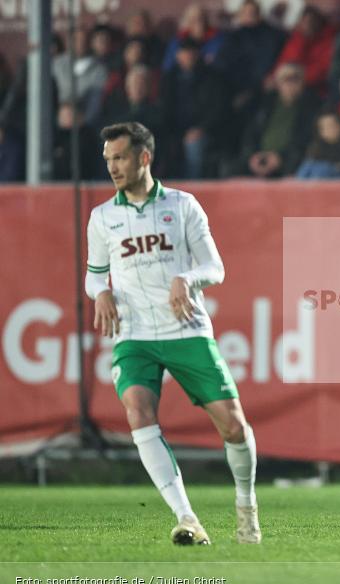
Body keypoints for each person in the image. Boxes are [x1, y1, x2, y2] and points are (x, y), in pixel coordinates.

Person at [85, 122, 260, 545]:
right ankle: (187, 518)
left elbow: (214, 267)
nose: (112, 167)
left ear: (144, 157)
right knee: (137, 411)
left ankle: (246, 506)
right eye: (108, 159)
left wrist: (187, 278)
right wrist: (100, 293)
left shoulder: (183, 206)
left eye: (120, 157)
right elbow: (94, 274)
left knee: (234, 427)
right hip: (134, 334)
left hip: (185, 329)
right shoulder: (102, 217)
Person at [237, 63, 321, 178]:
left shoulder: (313, 106)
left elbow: (305, 142)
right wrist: (252, 156)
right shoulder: (265, 102)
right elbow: (251, 132)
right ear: (278, 83)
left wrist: (280, 159)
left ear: (303, 82)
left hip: (290, 163)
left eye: (295, 78)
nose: (290, 84)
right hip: (258, 158)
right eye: (285, 79)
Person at [160, 38, 228, 179]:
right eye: (184, 53)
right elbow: (166, 110)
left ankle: (192, 187)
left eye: (191, 53)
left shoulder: (212, 78)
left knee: (194, 145)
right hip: (175, 130)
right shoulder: (170, 78)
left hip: (204, 130)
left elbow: (218, 110)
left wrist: (201, 129)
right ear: (177, 56)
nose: (188, 56)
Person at [270, 6, 336, 98]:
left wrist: (296, 80)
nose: (307, 25)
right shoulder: (296, 38)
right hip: (289, 83)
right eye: (304, 21)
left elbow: (322, 69)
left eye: (311, 21)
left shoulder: (328, 40)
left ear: (319, 23)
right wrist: (275, 77)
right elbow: (284, 61)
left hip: (314, 88)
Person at [296, 110, 340, 178]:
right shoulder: (316, 145)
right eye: (325, 127)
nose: (329, 130)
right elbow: (308, 165)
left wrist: (330, 168)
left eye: (331, 125)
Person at [161, 3, 224, 72]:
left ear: (206, 21)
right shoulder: (177, 41)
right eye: (192, 20)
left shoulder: (217, 39)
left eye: (200, 19)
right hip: (183, 76)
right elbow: (167, 66)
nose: (198, 23)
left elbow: (219, 63)